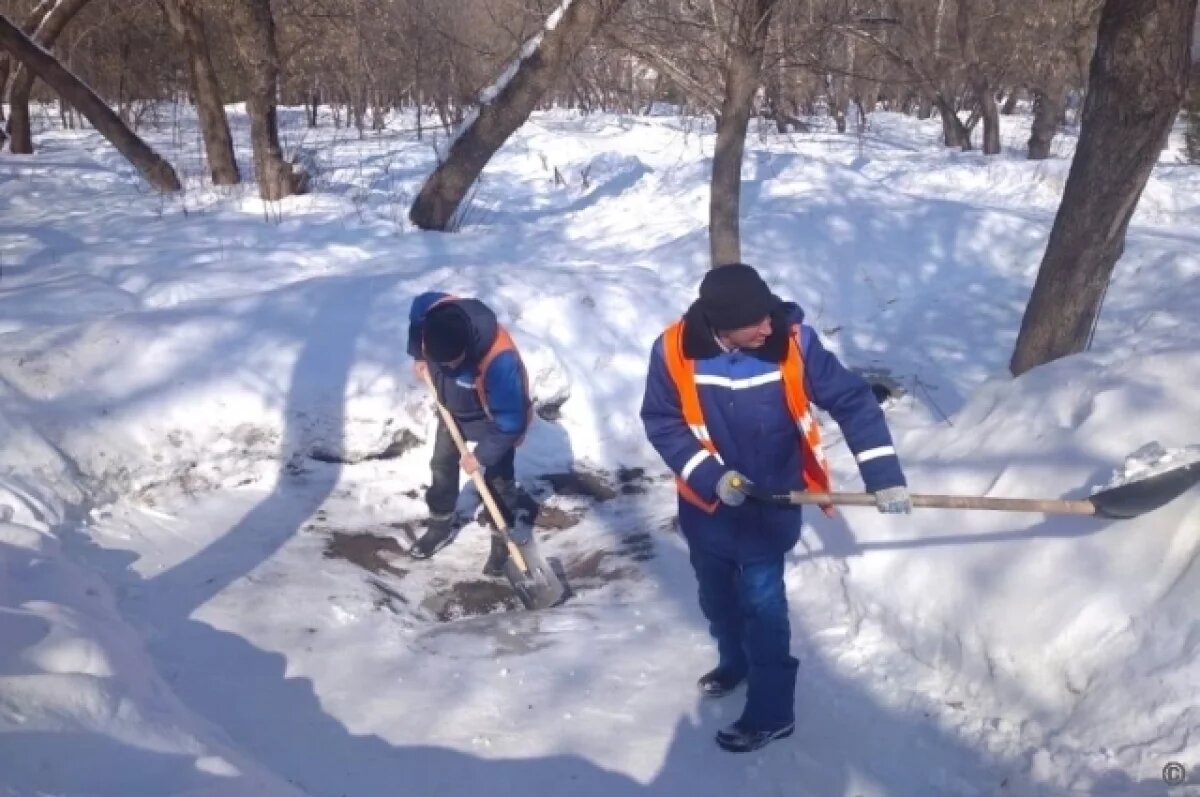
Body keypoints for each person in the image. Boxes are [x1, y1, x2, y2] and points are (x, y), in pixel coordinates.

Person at [639, 263, 911, 753]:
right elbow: (662, 422)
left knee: (764, 609)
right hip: (707, 506)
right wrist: (711, 476)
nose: (770, 326)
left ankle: (771, 714)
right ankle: (733, 662)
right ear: (721, 326)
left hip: (772, 507)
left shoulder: (794, 343)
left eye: (769, 313)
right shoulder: (673, 351)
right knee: (717, 599)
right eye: (756, 322)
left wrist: (884, 476)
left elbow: (853, 401)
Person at [406, 291, 534, 575]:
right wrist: (418, 353)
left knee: (499, 480)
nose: (449, 367)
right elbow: (418, 309)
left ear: (468, 346)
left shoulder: (500, 360)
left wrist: (481, 455)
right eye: (442, 362)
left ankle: (502, 540)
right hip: (451, 410)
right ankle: (439, 523)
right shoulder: (433, 316)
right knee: (441, 464)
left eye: (454, 362)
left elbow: (510, 421)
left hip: (493, 419)